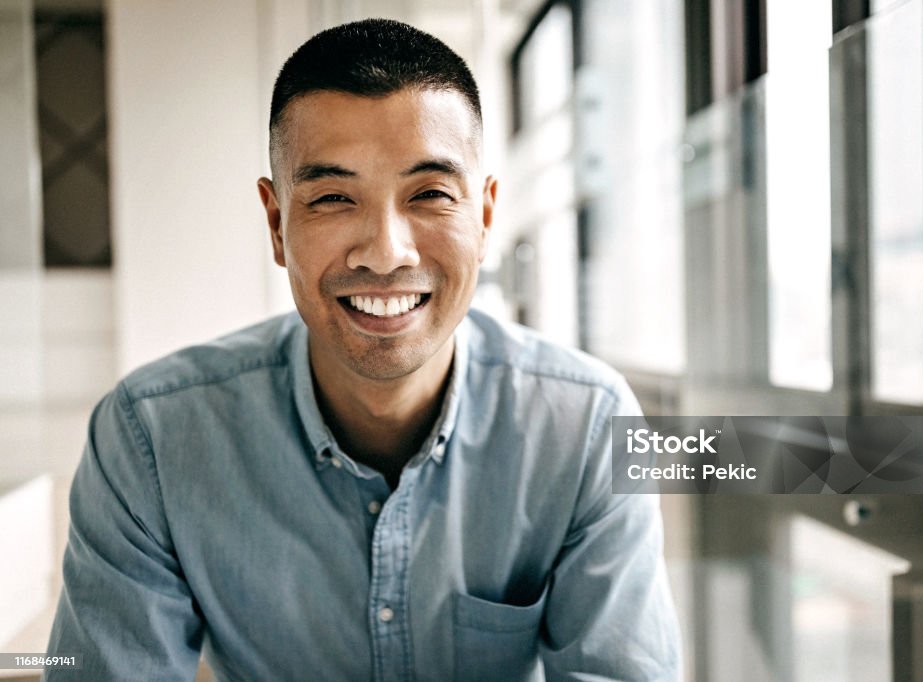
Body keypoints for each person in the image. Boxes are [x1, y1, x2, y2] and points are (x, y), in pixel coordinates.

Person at [45, 18, 680, 681]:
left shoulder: (588, 426)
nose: (385, 252)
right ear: (276, 223)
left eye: (429, 194)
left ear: (485, 216)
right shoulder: (150, 439)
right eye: (333, 198)